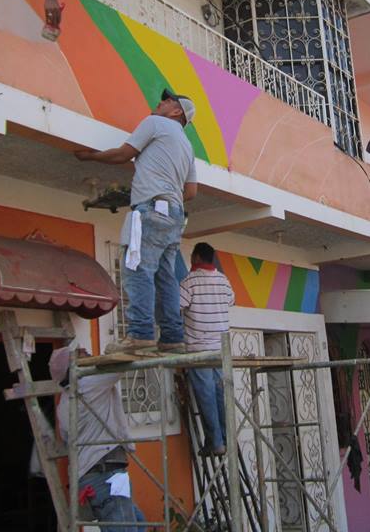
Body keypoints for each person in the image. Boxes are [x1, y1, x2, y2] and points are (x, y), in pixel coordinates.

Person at [74, 89, 197, 354]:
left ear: (177, 112)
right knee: (165, 278)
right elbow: (192, 192)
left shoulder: (155, 123)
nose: (160, 101)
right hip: (174, 214)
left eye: (167, 101)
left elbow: (123, 154)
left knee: (137, 268)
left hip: (152, 208)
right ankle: (173, 338)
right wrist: (167, 197)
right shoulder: (187, 146)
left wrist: (91, 156)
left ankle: (140, 334)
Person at [50, 345, 146, 530]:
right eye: (79, 353)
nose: (85, 350)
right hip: (108, 475)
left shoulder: (63, 403)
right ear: (74, 367)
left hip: (90, 477)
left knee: (139, 523)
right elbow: (124, 362)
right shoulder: (89, 383)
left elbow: (66, 437)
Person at [179, 242, 235, 455]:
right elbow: (231, 300)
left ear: (196, 257)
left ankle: (215, 441)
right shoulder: (223, 280)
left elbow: (177, 305)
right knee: (220, 393)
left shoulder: (189, 281)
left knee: (206, 395)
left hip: (199, 349)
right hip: (220, 350)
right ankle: (226, 438)